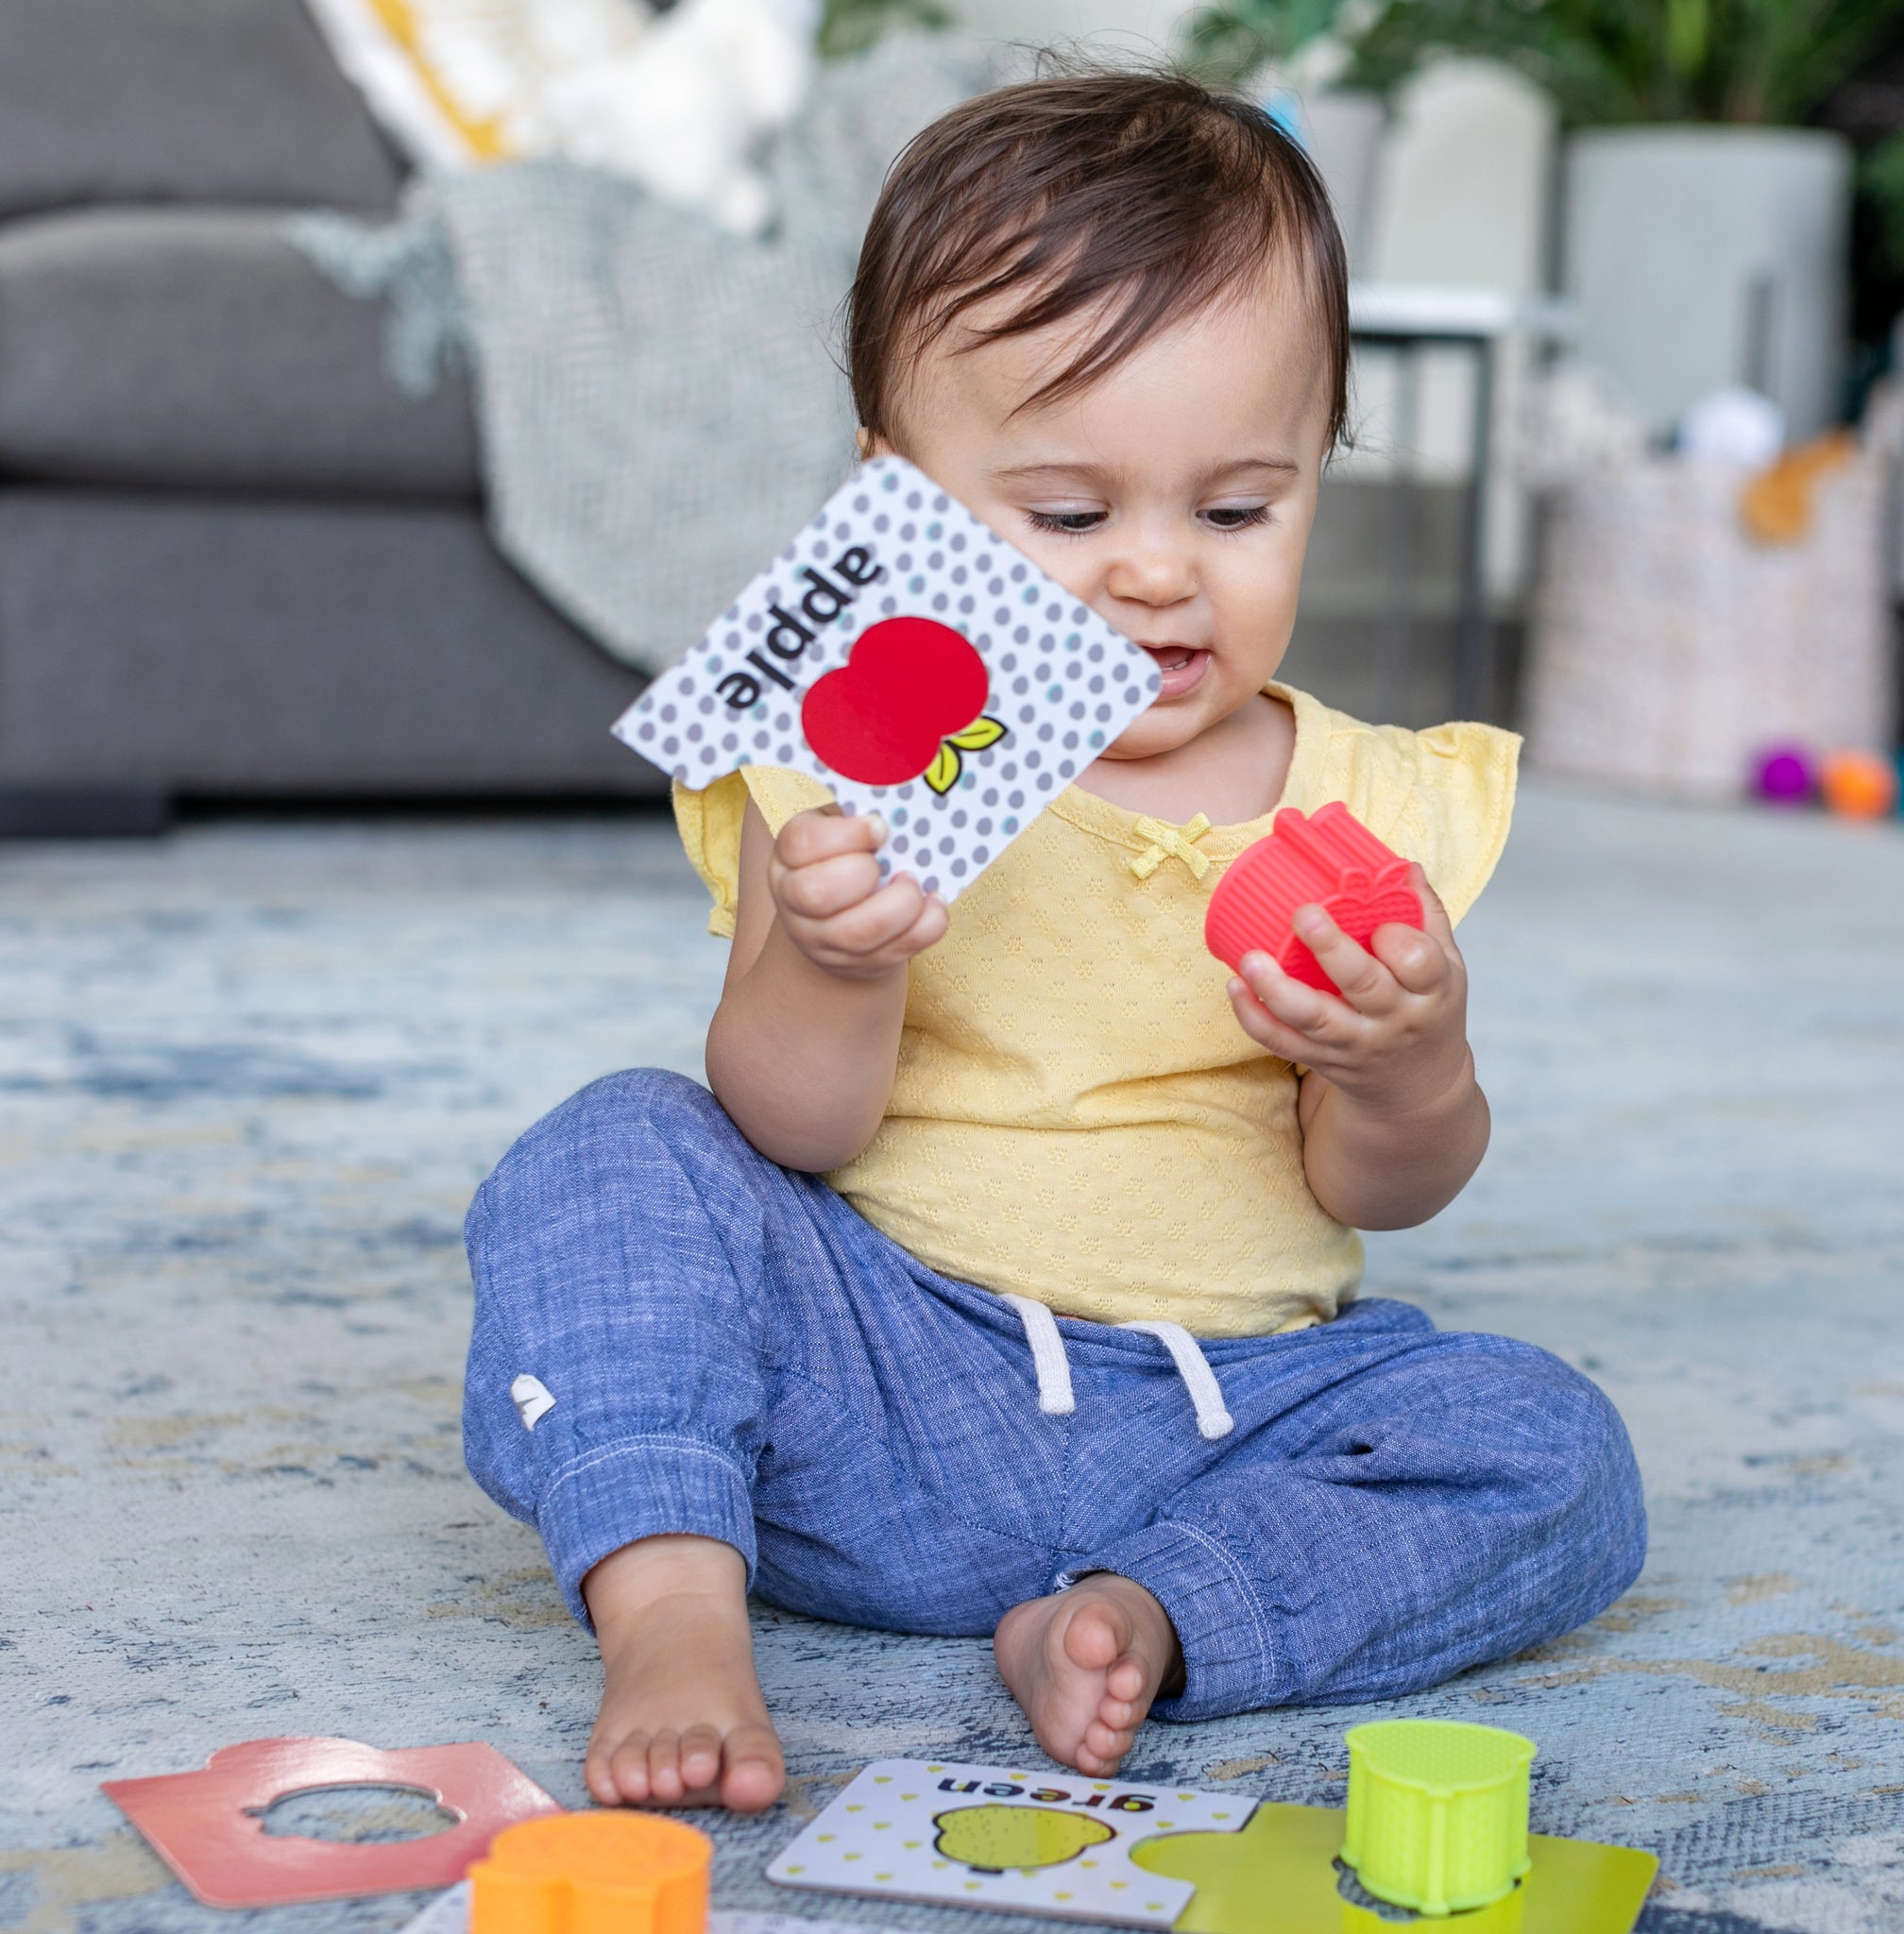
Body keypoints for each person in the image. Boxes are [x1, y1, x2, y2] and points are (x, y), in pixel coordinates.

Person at [463, 70, 1646, 1815]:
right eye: (1071, 517)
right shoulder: (852, 761)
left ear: (1317, 472)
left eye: (1237, 511)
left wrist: (1409, 1063)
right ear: (906, 504)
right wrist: (834, 960)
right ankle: (674, 1611)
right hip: (874, 1385)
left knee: (1553, 1444)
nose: (1157, 577)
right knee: (615, 1152)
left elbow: (1378, 1192)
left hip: (1229, 1415)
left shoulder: (1375, 804)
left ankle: (1145, 1618)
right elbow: (792, 1128)